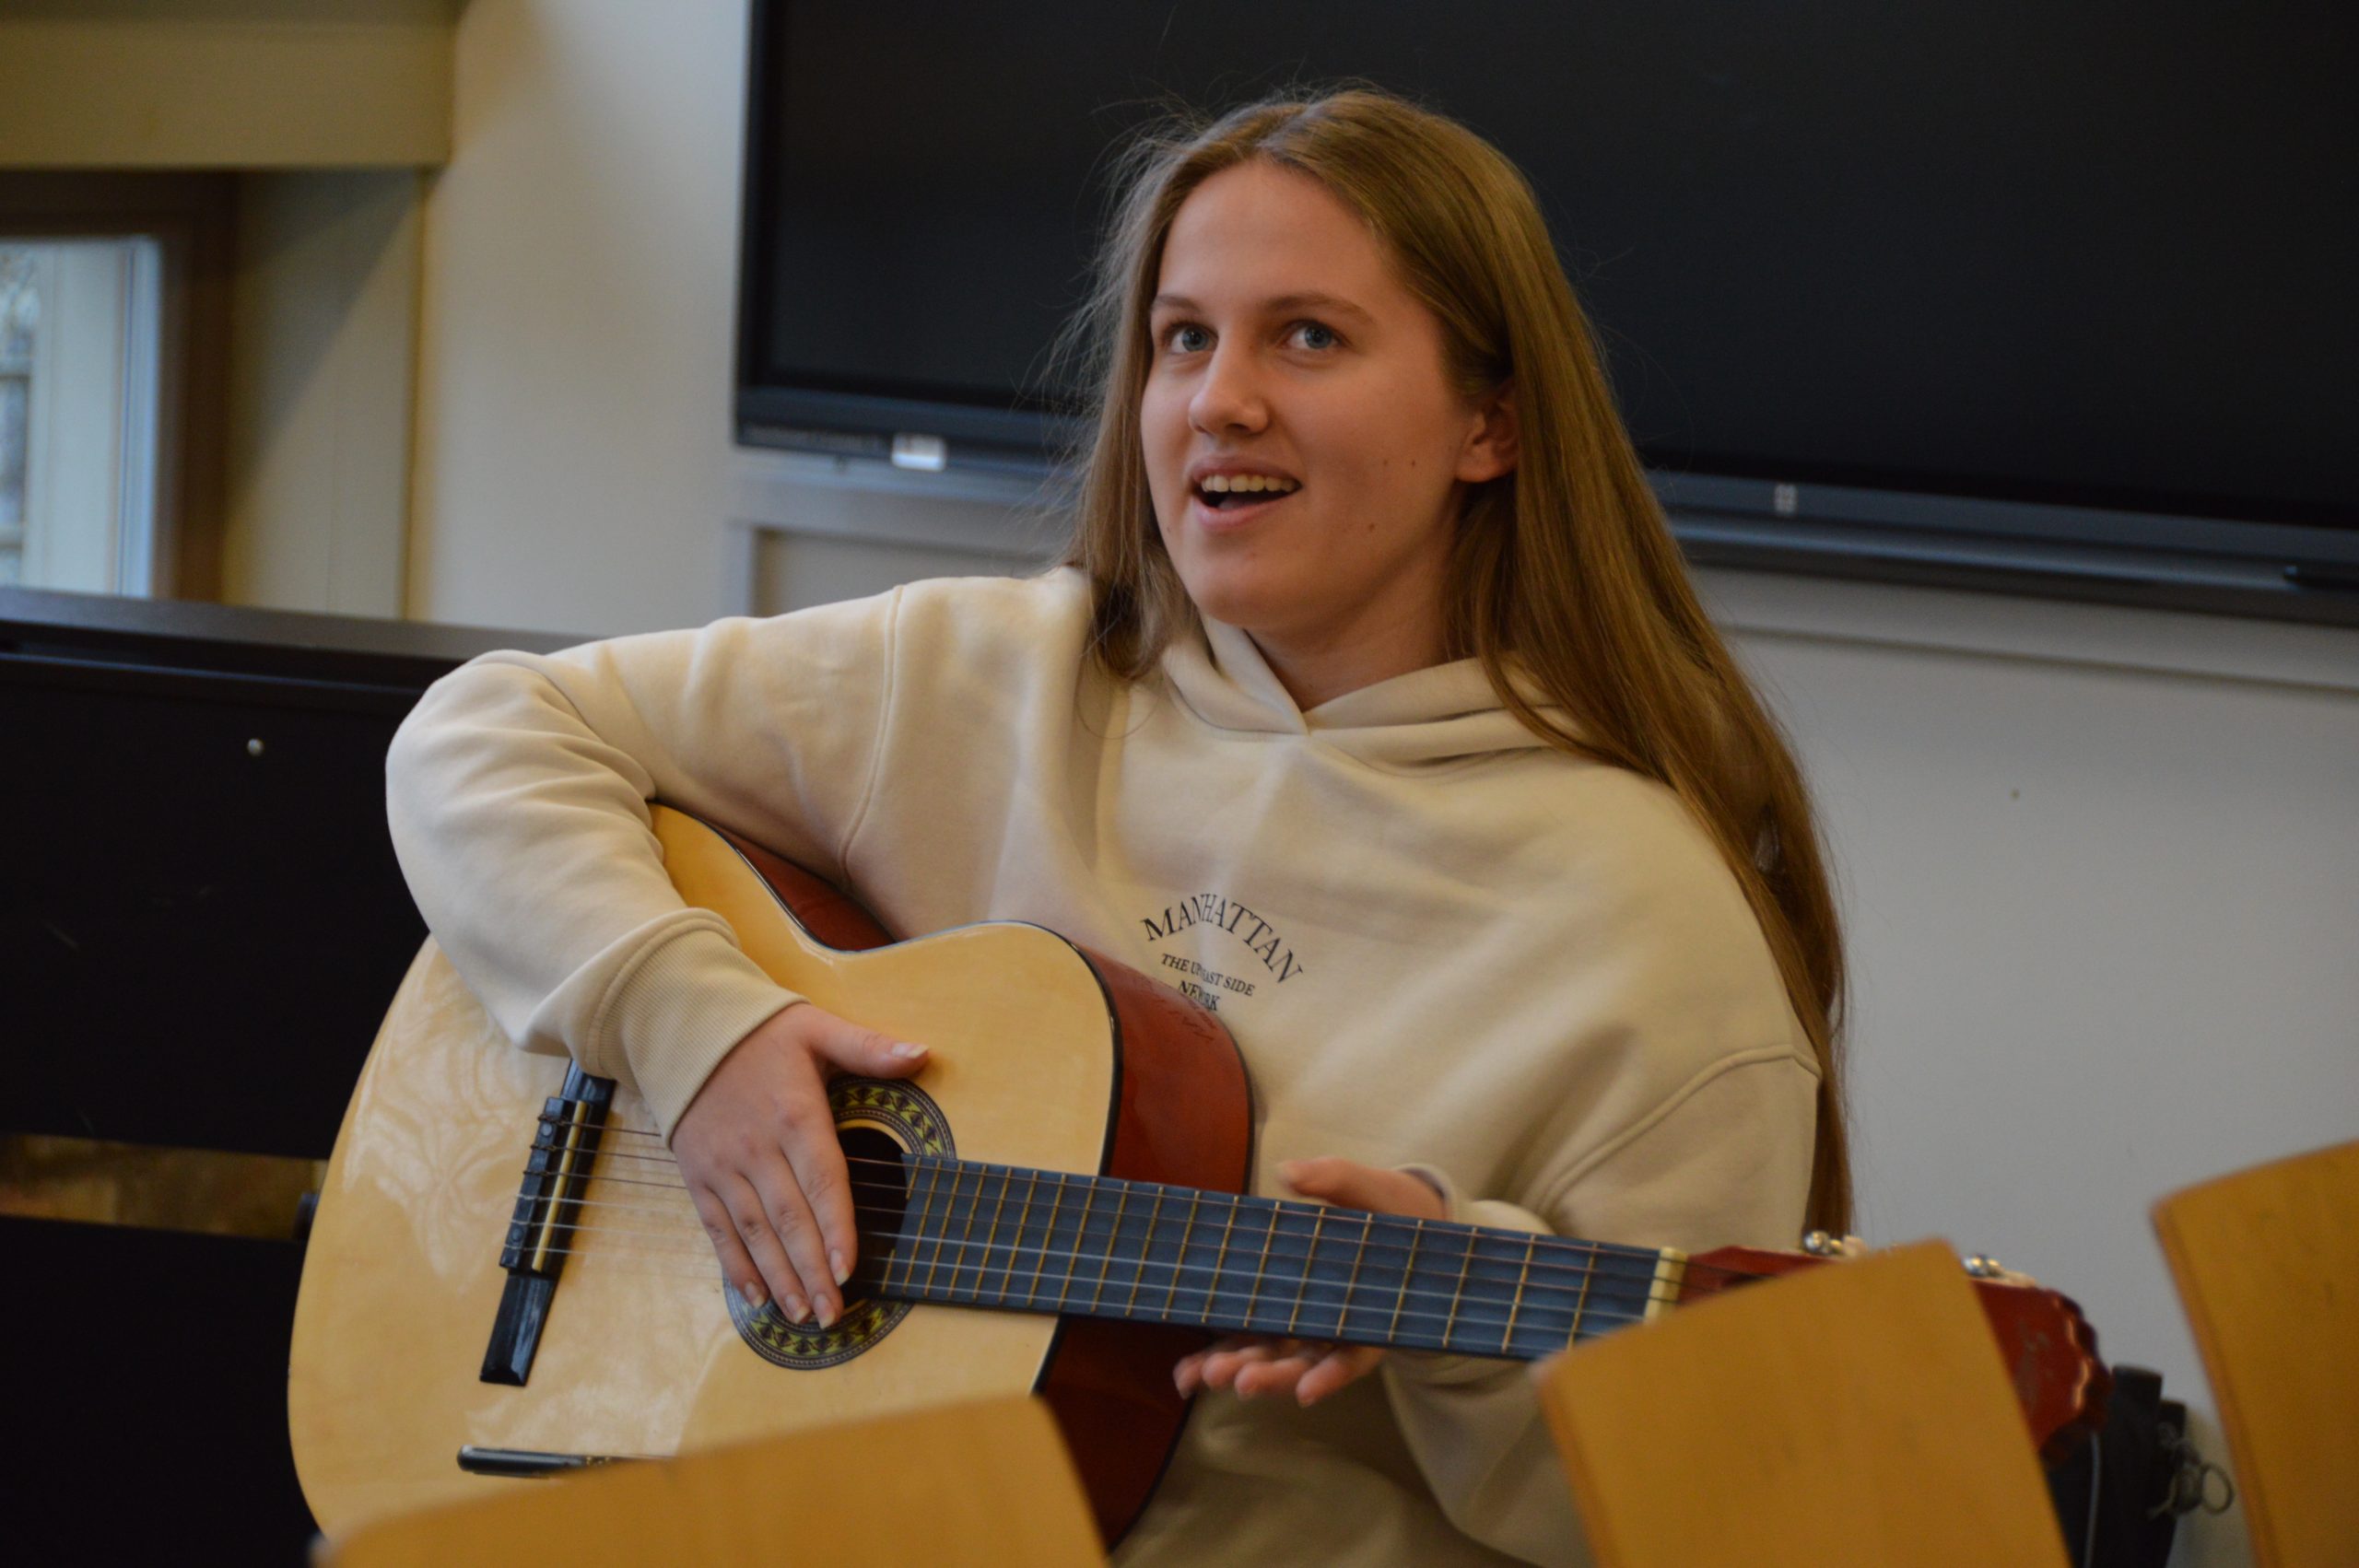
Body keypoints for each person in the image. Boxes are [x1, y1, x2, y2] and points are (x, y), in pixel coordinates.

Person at [386, 86, 1850, 1566]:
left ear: (1492, 424)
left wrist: (1458, 1330)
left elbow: (1702, 1506)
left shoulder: (1652, 925)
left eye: (1309, 337)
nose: (1219, 400)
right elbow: (486, 729)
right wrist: (693, 1033)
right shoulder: (984, 675)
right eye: (1183, 338)